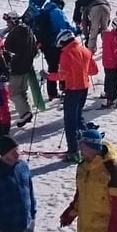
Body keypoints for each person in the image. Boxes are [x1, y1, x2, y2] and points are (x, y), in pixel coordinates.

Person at [48, 31, 98, 161]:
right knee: (78, 117)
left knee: (70, 122)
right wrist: (81, 71)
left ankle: (73, 151)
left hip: (72, 90)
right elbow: (94, 70)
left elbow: (62, 75)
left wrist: (49, 76)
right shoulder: (85, 50)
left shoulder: (66, 54)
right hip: (84, 88)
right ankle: (89, 146)